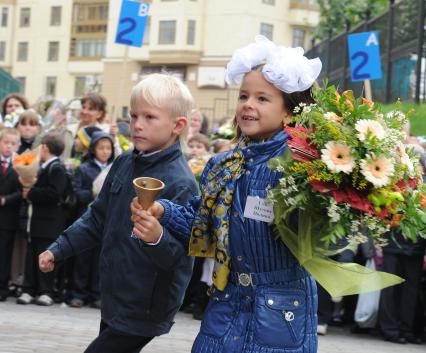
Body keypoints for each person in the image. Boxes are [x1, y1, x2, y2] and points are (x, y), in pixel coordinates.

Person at [131, 35, 321, 352]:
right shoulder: (222, 165)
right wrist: (162, 212)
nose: (248, 104)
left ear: (289, 112)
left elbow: (324, 237)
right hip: (226, 303)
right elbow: (200, 223)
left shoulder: (303, 167)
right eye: (244, 95)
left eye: (262, 99)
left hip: (281, 313)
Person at [38, 73, 198, 353]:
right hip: (114, 293)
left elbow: (182, 255)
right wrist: (59, 249)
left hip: (146, 303)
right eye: (133, 115)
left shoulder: (182, 182)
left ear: (178, 125)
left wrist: (156, 237)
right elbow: (98, 217)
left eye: (149, 117)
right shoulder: (125, 160)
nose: (137, 125)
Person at [17, 133, 68, 306]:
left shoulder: (57, 168)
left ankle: (46, 291)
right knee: (32, 255)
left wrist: (31, 193)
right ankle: (28, 289)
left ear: (45, 147)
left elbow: (55, 193)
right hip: (38, 222)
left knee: (46, 256)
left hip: (50, 223)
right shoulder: (42, 167)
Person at [69, 131, 115, 309]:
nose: (105, 151)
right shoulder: (84, 168)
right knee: (83, 256)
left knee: (100, 258)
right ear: (93, 149)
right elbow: (76, 194)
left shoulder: (115, 168)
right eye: (101, 148)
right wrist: (93, 193)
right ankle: (78, 294)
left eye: (108, 148)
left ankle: (96, 294)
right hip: (86, 217)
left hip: (107, 219)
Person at [0, 128, 22, 301]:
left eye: (13, 144)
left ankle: (2, 287)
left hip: (8, 218)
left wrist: (6, 200)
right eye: (5, 142)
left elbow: (21, 191)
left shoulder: (20, 165)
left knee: (5, 253)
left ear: (18, 146)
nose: (8, 147)